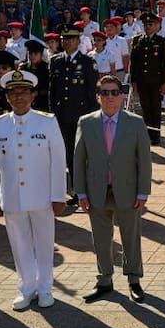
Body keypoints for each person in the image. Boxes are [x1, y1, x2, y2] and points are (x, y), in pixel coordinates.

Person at [0, 68, 67, 311]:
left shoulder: (47, 122)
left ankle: (45, 288)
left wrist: (58, 195)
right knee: (19, 246)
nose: (18, 97)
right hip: (12, 198)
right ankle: (26, 288)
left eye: (23, 92)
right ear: (7, 97)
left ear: (32, 95)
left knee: (44, 243)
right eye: (13, 93)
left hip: (43, 197)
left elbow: (58, 162)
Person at [74, 75, 152, 304]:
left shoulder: (135, 123)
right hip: (96, 191)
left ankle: (134, 279)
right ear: (98, 97)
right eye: (105, 93)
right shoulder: (86, 122)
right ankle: (105, 280)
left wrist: (143, 191)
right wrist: (80, 192)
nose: (110, 97)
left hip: (127, 191)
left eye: (114, 92)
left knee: (131, 237)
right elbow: (78, 160)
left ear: (122, 95)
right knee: (101, 239)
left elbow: (144, 160)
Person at [49, 26, 99, 206]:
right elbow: (52, 91)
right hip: (63, 116)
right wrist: (52, 113)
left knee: (85, 154)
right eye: (64, 39)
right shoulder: (55, 61)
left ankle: (90, 189)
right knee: (69, 154)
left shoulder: (87, 62)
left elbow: (92, 91)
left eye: (71, 38)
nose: (67, 42)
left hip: (82, 115)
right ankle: (77, 191)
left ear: (78, 41)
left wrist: (94, 116)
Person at [130, 11, 165, 145]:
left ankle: (155, 135)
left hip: (156, 81)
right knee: (145, 107)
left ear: (157, 25)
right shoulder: (137, 40)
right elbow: (134, 63)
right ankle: (147, 134)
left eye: (150, 24)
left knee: (155, 107)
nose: (147, 26)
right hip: (142, 81)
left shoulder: (161, 42)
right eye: (145, 24)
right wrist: (134, 80)